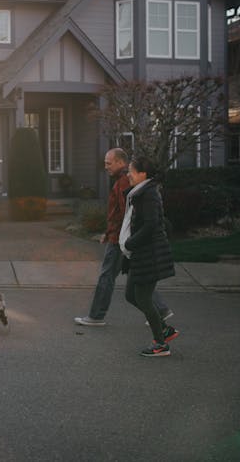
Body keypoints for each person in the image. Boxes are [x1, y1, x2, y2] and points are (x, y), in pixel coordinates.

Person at [75, 148, 172, 327]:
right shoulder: (123, 181)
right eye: (105, 163)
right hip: (120, 236)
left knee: (107, 276)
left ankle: (96, 316)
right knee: (137, 277)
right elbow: (119, 213)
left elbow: (128, 214)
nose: (105, 167)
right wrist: (108, 231)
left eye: (109, 163)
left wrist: (120, 236)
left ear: (121, 162)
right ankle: (161, 310)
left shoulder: (123, 182)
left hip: (121, 239)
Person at [120, 157, 178, 357]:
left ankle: (161, 344)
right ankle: (163, 329)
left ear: (143, 174)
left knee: (143, 298)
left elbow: (151, 225)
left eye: (131, 171)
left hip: (149, 254)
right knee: (130, 295)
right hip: (140, 255)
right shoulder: (140, 193)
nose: (128, 174)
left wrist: (130, 242)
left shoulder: (150, 194)